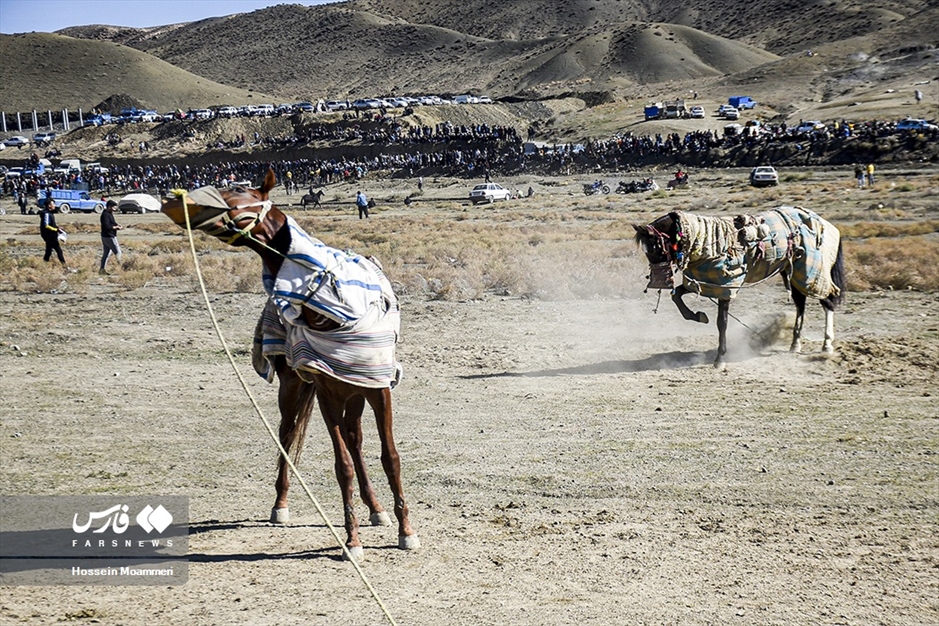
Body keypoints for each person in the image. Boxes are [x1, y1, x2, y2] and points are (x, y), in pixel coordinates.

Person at [99, 199, 124, 274]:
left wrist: (117, 225)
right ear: (109, 207)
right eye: (113, 207)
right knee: (118, 252)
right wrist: (116, 228)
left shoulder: (109, 214)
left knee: (106, 254)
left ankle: (102, 270)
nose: (115, 208)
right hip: (109, 237)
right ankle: (121, 269)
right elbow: (107, 226)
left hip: (105, 236)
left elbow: (112, 223)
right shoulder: (105, 215)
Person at [39, 198, 66, 265]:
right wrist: (56, 230)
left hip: (50, 235)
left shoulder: (50, 213)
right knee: (59, 250)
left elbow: (52, 225)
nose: (54, 205)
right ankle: (64, 265)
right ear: (49, 205)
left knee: (48, 251)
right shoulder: (46, 214)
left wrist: (57, 228)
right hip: (49, 235)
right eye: (53, 204)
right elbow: (46, 225)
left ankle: (44, 264)